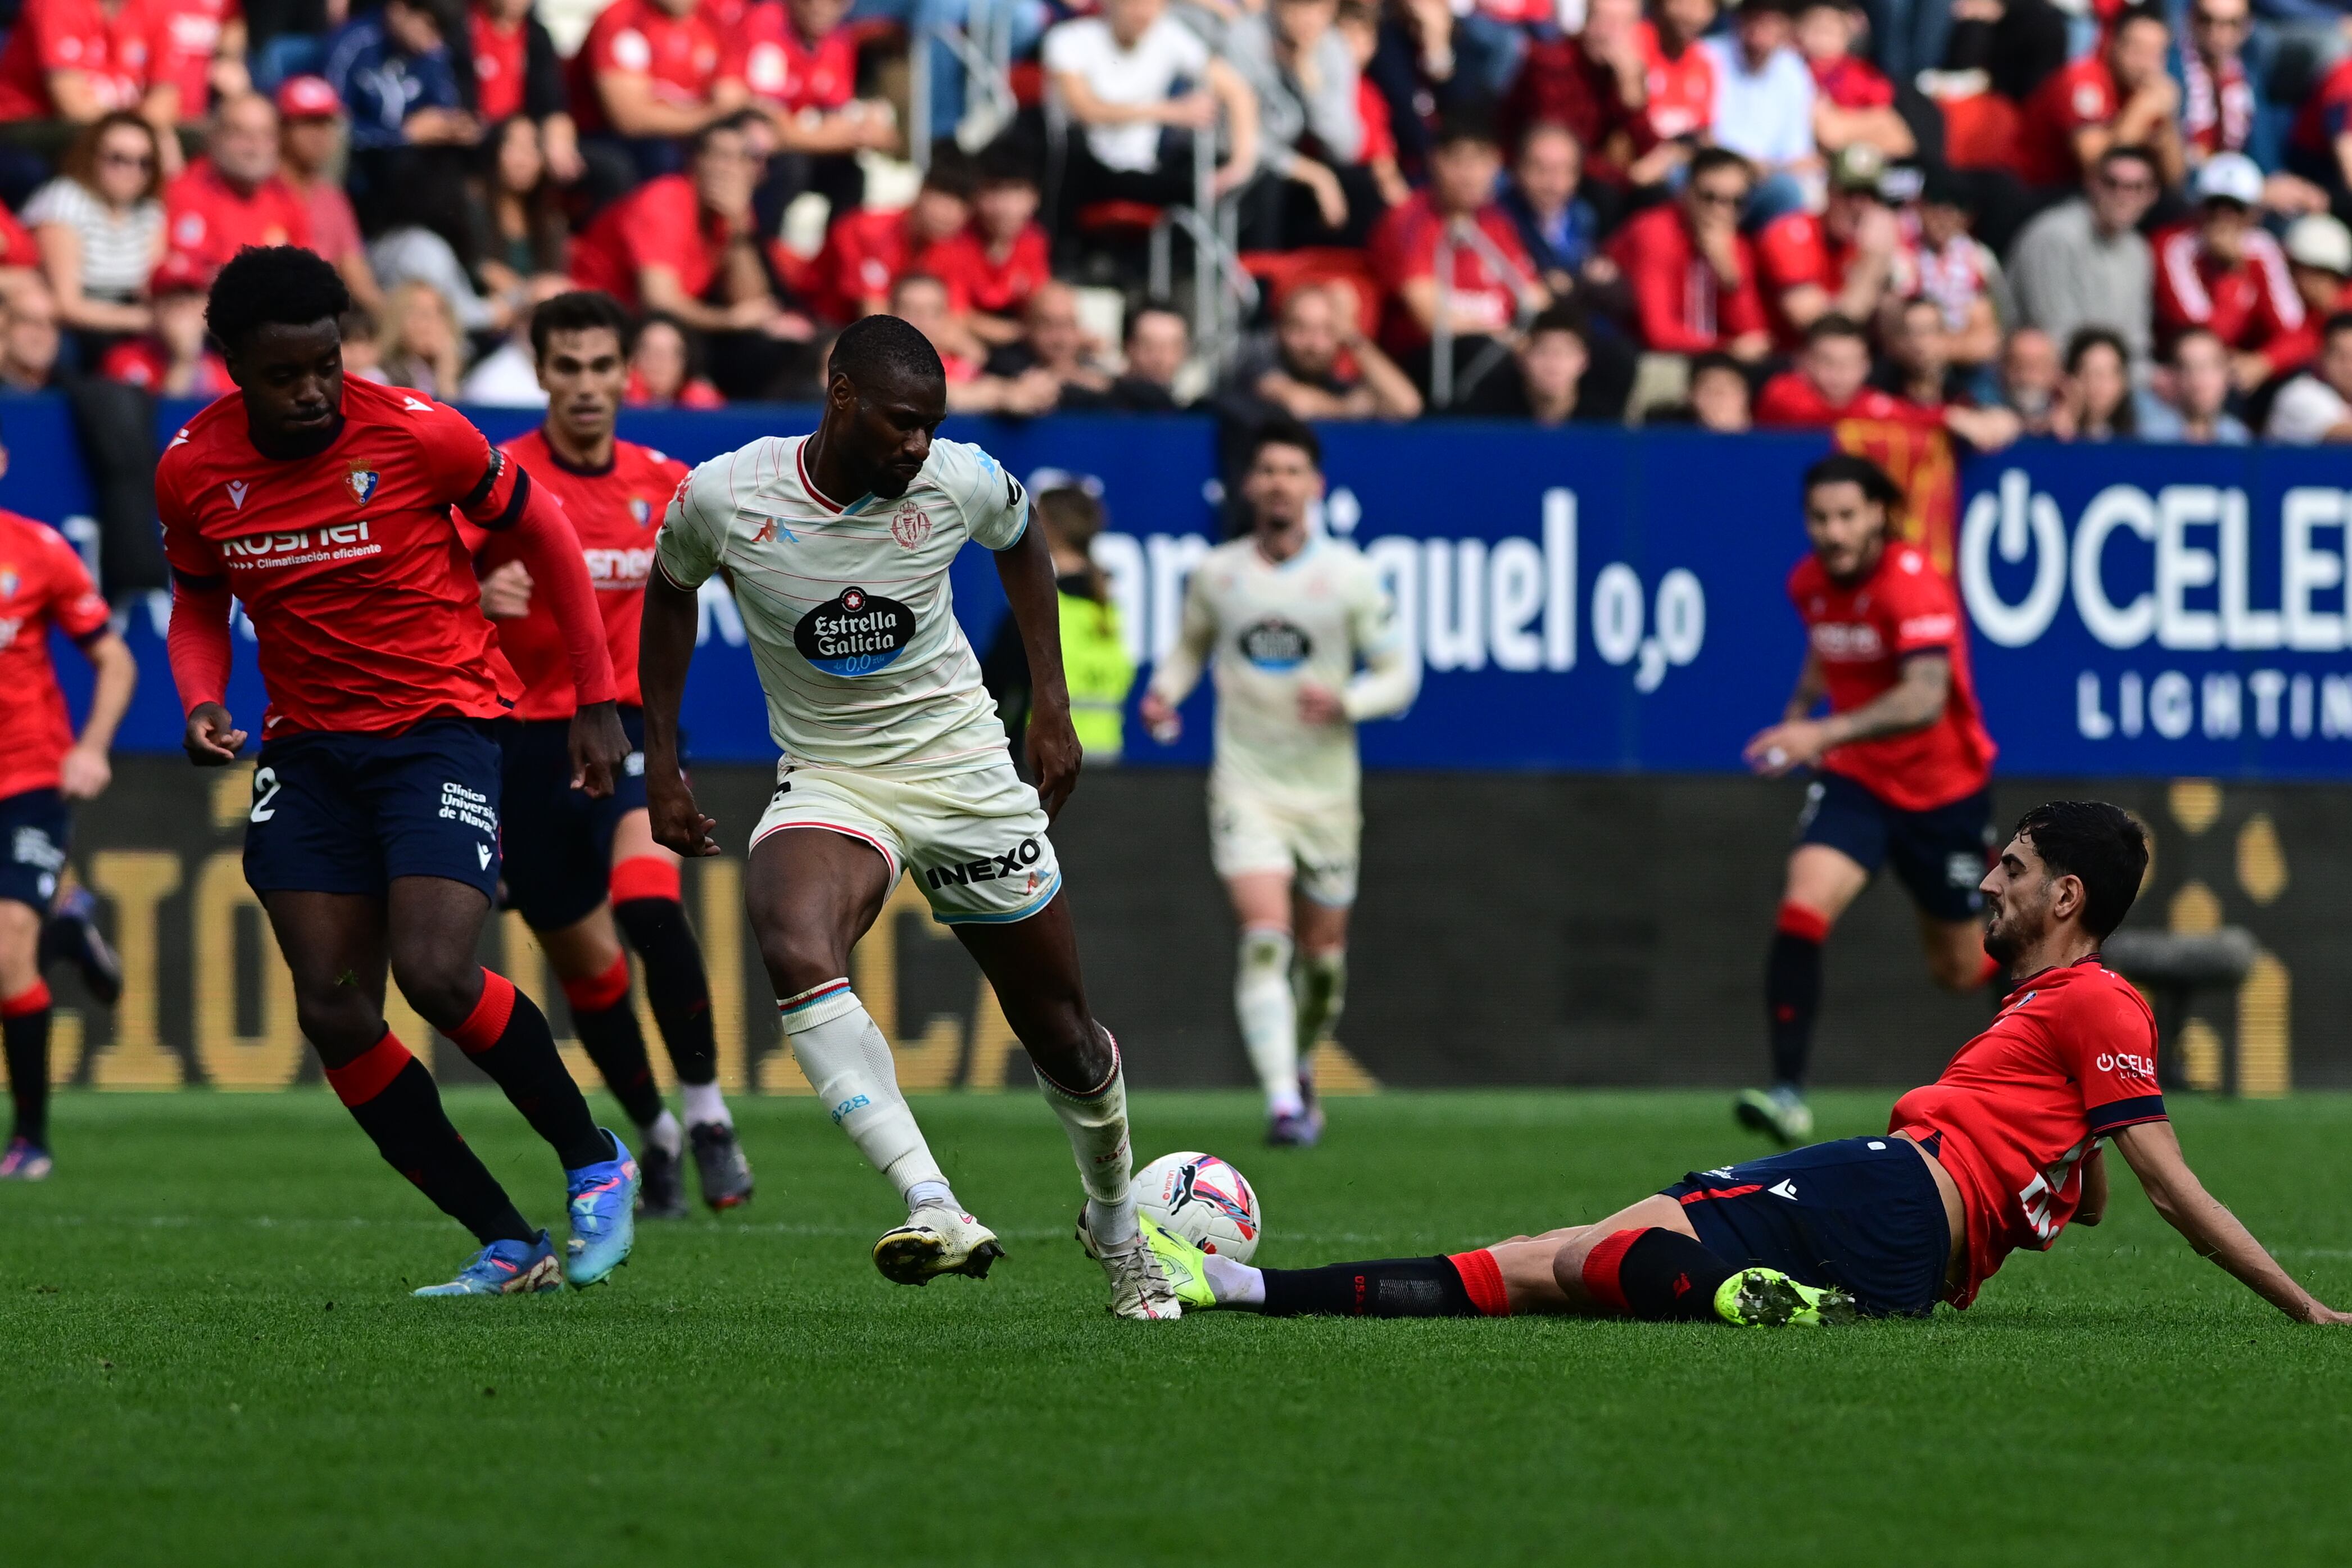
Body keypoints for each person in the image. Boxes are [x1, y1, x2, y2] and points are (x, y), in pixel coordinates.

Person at [1135, 803, 2352, 1331]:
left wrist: (2297, 1303)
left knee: (1608, 1258)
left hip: (1892, 1194)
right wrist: (2058, 1167)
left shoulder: (2090, 997)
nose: (1988, 881)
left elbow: (2164, 1186)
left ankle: (1740, 1301)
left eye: (2014, 868)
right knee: (1534, 1266)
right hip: (1906, 1237)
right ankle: (1237, 1292)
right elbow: (2080, 1190)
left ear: (2065, 895)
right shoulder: (2051, 1005)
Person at [637, 312, 1190, 1318]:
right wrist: (661, 760)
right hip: (834, 774)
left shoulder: (957, 479)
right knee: (792, 937)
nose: (916, 445)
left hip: (963, 766)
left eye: (931, 425)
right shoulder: (725, 495)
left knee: (1063, 1035)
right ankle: (931, 1202)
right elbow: (670, 592)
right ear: (840, 394)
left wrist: (1051, 706)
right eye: (900, 423)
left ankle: (1117, 1229)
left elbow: (1024, 544)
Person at [157, 246, 640, 1297]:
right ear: (233, 365)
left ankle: (594, 1157)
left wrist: (597, 700)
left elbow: (547, 532)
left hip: (441, 727)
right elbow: (197, 599)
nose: (312, 390)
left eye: (326, 363)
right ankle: (507, 1241)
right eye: (283, 374)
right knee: (333, 1007)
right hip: (309, 749)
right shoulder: (193, 466)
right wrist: (201, 697)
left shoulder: (420, 432)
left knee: (435, 970)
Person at [465, 289, 750, 1219]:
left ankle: (708, 1115)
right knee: (587, 969)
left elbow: (748, 565)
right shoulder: (500, 483)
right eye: (567, 367)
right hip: (523, 745)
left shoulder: (666, 481)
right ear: (541, 372)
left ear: (624, 374)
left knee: (646, 896)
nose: (585, 386)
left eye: (600, 367)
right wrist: (478, 593)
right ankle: (656, 1132)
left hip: (627, 725)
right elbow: (424, 589)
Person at [1139, 419, 1418, 1148]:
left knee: (1323, 965)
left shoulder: (1349, 578)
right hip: (1247, 782)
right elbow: (1189, 649)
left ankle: (1297, 1059)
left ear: (1314, 486)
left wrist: (1348, 700)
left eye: (1292, 470)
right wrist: (1164, 692)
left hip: (1325, 792)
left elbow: (1400, 674)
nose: (1278, 482)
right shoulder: (1219, 573)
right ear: (1249, 485)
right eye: (1267, 470)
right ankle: (1282, 1103)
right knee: (1265, 940)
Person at [1733, 452, 2000, 1146]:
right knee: (1802, 902)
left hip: (1944, 793)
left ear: (1880, 513)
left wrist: (1820, 728)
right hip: (1858, 781)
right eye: (1820, 518)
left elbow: (1923, 696)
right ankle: (1789, 1093)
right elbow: (1829, 648)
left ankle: (2041, 989)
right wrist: (1798, 717)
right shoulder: (1809, 583)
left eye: (1848, 516)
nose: (1834, 531)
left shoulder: (1912, 584)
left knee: (1961, 968)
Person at [0, 434, 136, 1181]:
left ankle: (30, 1139)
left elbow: (115, 658)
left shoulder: (37, 550)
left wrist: (92, 748)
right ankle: (69, 920)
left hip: (27, 778)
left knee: (5, 951)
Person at [567, 114, 814, 399]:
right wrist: (730, 320)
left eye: (742, 158)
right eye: (720, 156)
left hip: (666, 319)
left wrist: (738, 228)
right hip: (601, 319)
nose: (729, 170)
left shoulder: (732, 212)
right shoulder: (663, 202)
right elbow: (659, 303)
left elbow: (750, 301)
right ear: (696, 161)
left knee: (773, 349)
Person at [1368, 114, 1547, 399]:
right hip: (1431, 359)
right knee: (1485, 356)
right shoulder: (1409, 222)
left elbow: (1535, 299)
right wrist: (1506, 337)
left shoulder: (1497, 223)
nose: (1470, 175)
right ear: (1436, 161)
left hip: (1501, 348)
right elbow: (1430, 317)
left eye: (1481, 162)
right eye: (1460, 162)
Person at [1043, 0, 1259, 211]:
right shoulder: (1069, 39)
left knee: (1240, 193)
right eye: (1133, 3)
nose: (1143, 12)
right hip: (1080, 172)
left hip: (1144, 170)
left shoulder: (1170, 35)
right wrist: (1171, 111)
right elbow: (1085, 110)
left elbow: (1238, 91)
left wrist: (1240, 166)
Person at [980, 480, 1132, 769]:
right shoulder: (1109, 611)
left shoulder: (1034, 610)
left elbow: (990, 691)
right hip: (1106, 762)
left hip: (1046, 760)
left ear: (1044, 527)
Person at [1606, 146, 1769, 360]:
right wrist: (1727, 350)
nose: (1721, 211)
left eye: (1736, 202)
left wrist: (1728, 275)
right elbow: (1659, 334)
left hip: (1700, 354)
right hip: (1631, 353)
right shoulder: (1655, 231)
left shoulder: (1736, 244)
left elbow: (1753, 336)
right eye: (1709, 197)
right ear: (1685, 192)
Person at [2009, 144, 2159, 371]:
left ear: (2151, 195)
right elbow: (2055, 336)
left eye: (2136, 187)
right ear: (2092, 183)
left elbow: (2136, 341)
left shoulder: (2139, 251)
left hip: (2114, 378)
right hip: (2045, 375)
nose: (2123, 195)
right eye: (2112, 183)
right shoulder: (2055, 236)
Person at [23, 110, 166, 345]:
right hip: (70, 328)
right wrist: (145, 321)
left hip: (126, 319)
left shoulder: (149, 210)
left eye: (145, 162)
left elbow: (150, 289)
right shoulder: (64, 201)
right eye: (118, 159)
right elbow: (66, 305)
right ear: (92, 156)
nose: (132, 171)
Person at [2014, 3, 2183, 194]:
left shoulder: (2144, 91)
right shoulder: (2082, 80)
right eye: (2138, 50)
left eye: (2155, 54)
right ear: (2114, 45)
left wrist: (2168, 124)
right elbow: (2098, 166)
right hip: (2039, 191)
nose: (2145, 64)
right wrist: (2141, 110)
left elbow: (2174, 180)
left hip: (2098, 197)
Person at [570, 0, 747, 181]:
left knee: (747, 154)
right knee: (663, 156)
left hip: (686, 137)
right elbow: (630, 119)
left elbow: (732, 98)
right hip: (606, 138)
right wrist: (710, 116)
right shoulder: (622, 17)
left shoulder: (717, 19)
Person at [2152, 153, 2303, 365]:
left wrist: (2264, 362)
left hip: (2242, 367)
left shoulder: (2263, 249)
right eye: (2215, 206)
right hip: (2181, 370)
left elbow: (2296, 332)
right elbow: (2203, 340)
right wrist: (2232, 272)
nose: (2224, 218)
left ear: (2254, 215)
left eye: (2236, 209)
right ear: (2200, 209)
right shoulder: (2175, 246)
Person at [1223, 280, 1422, 423]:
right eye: (1300, 329)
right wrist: (1349, 410)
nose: (1313, 344)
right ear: (1279, 331)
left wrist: (1353, 337)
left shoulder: (1338, 387)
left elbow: (1407, 405)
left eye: (1326, 331)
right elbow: (1296, 403)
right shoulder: (1256, 366)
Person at [161, 92, 311, 276]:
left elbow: (306, 274)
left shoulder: (286, 199)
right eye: (241, 134)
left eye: (266, 135)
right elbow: (187, 275)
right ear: (215, 137)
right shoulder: (186, 190)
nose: (255, 147)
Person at [275, 75, 384, 320]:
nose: (320, 135)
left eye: (327, 124)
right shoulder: (262, 191)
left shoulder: (332, 199)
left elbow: (359, 281)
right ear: (282, 128)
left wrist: (394, 321)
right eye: (309, 123)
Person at [0, 0, 167, 130]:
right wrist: (138, 131)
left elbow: (165, 101)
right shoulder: (57, 5)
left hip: (107, 133)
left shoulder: (152, 8)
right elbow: (75, 109)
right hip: (28, 130)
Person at [99, 249, 228, 395]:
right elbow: (165, 416)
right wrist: (182, 361)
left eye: (191, 296)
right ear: (153, 306)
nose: (183, 307)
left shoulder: (228, 371)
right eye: (171, 298)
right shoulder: (123, 362)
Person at [2138, 325, 2250, 443]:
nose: (2200, 380)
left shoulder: (2238, 438)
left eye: (2210, 366)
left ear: (2226, 374)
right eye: (2188, 368)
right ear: (2174, 376)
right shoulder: (2151, 438)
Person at [2264, 309, 2352, 442]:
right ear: (2321, 357)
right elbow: (2340, 434)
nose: (2348, 366)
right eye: (2340, 356)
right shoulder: (2300, 395)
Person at [374, 278, 466, 400]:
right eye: (422, 314)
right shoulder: (380, 377)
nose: (432, 324)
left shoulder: (462, 374)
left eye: (439, 313)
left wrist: (446, 377)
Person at [625, 312, 724, 407]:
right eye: (647, 351)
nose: (657, 362)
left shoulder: (704, 406)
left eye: (667, 353)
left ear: (686, 360)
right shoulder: (619, 402)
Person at [2055, 326, 2136, 441]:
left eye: (2106, 374)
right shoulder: (2045, 428)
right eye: (2088, 373)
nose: (2097, 384)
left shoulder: (2145, 436)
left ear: (2123, 382)